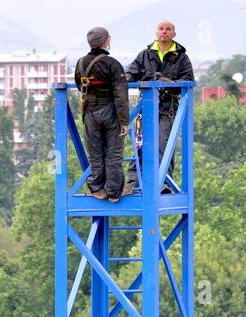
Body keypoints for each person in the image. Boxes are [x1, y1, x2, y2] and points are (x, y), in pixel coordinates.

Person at [125, 20, 194, 190]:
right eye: (161, 29)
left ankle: (163, 182)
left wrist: (170, 83)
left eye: (168, 29)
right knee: (140, 145)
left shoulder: (181, 58)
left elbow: (188, 79)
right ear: (156, 33)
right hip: (145, 110)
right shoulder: (145, 55)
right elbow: (131, 74)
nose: (164, 32)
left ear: (174, 34)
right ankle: (133, 183)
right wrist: (123, 81)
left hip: (167, 109)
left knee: (163, 145)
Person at [75, 26, 133, 202]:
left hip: (90, 111)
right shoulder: (112, 64)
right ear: (105, 41)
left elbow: (80, 86)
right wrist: (124, 121)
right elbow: (121, 95)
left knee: (95, 152)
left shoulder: (80, 63)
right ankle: (114, 192)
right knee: (114, 152)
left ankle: (97, 189)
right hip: (110, 111)